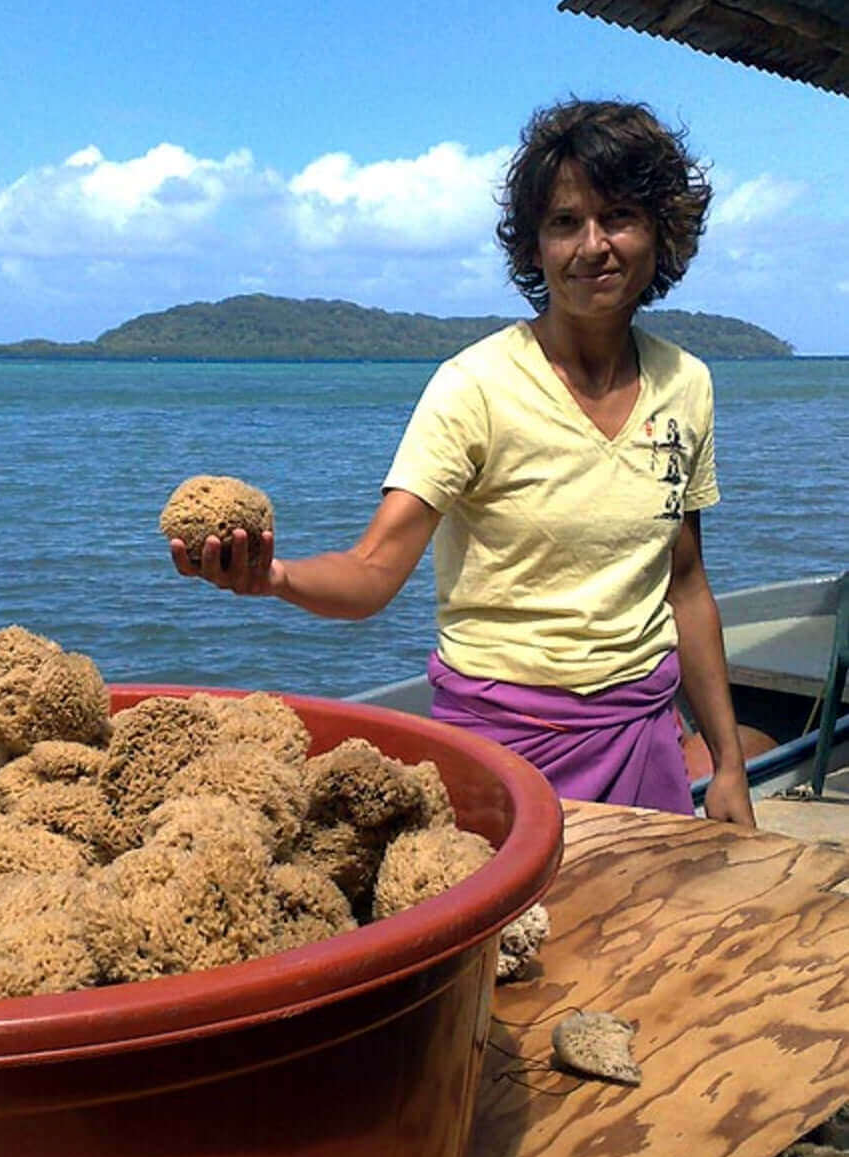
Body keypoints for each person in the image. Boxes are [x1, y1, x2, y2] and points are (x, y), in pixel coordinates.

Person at [169, 98, 755, 826]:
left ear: (660, 231)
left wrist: (727, 764)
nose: (592, 245)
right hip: (504, 750)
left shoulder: (686, 384)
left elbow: (685, 580)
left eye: (619, 216)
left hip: (644, 735)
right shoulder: (474, 386)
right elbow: (373, 569)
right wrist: (274, 578)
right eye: (564, 222)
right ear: (534, 246)